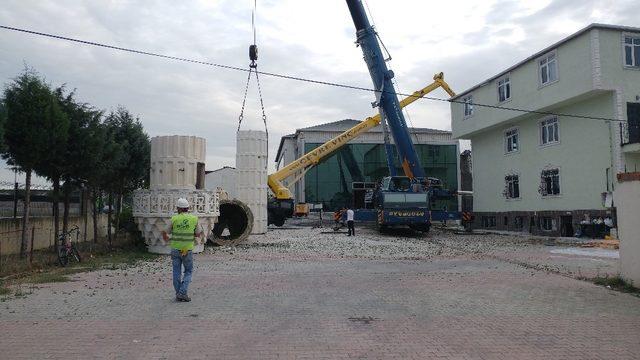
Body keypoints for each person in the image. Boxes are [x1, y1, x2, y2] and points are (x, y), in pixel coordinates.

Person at [162, 198, 202, 302]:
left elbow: (165, 232)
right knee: (188, 271)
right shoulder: (194, 219)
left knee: (176, 272)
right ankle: (182, 293)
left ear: (178, 209)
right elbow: (198, 234)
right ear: (188, 208)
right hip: (186, 250)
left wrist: (166, 239)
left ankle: (178, 293)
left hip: (175, 249)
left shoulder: (174, 219)